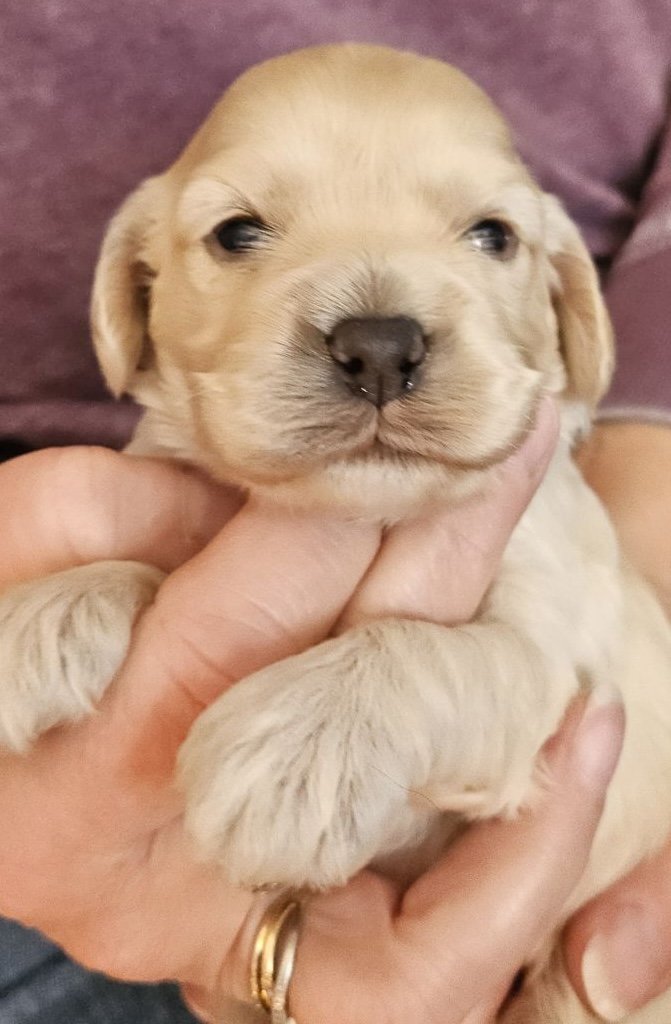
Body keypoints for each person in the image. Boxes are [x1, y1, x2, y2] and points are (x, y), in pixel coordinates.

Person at [1, 1, 671, 1021]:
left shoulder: (543, 491)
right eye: (239, 232)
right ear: (130, 292)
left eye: (487, 233)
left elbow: (539, 701)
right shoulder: (154, 461)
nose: (375, 342)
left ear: (560, 306)